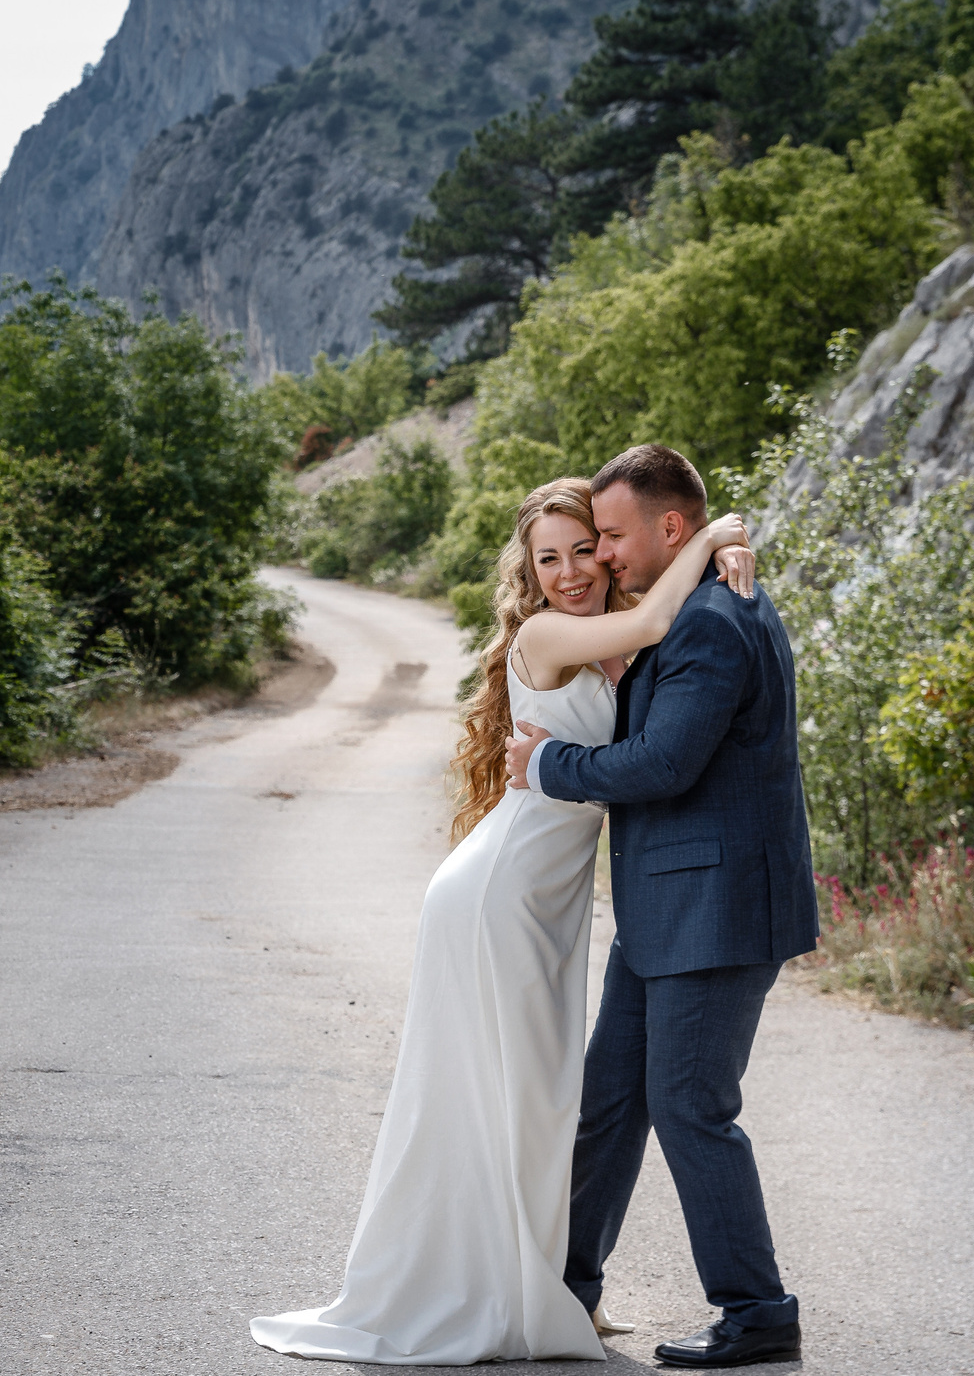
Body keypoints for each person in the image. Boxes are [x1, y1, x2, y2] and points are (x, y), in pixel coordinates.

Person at [251, 475, 753, 1366]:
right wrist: (718, 534)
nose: (567, 571)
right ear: (527, 570)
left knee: (540, 1099)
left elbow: (657, 635)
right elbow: (646, 627)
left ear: (609, 547)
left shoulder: (614, 622)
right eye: (545, 557)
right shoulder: (551, 633)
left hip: (545, 899)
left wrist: (726, 540)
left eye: (582, 549)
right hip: (499, 892)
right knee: (506, 1097)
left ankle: (539, 1284)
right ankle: (493, 1290)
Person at [504, 444, 819, 1370]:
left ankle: (758, 1310)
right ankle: (565, 1289)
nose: (598, 555)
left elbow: (663, 764)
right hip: (664, 910)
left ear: (667, 528)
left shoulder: (715, 621)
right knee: (611, 1101)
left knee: (690, 1106)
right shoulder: (686, 604)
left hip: (715, 909)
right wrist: (725, 534)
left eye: (609, 535)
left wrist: (546, 765)